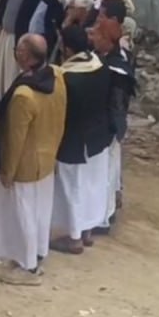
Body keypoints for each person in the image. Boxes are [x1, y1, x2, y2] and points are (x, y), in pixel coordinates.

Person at [0, 33, 65, 284]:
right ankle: (38, 252)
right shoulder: (57, 75)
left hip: (26, 164)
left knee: (24, 215)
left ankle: (28, 267)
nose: (15, 53)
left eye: (18, 50)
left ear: (26, 56)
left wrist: (7, 171)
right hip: (47, 157)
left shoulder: (24, 95)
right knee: (40, 212)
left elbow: (15, 138)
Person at [50, 25, 114, 255]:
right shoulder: (101, 65)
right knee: (92, 185)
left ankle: (74, 238)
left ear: (67, 49)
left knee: (73, 188)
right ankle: (87, 231)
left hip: (75, 141)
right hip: (99, 137)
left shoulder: (66, 78)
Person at [90, 12, 135, 234]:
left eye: (97, 35)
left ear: (107, 40)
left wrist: (113, 128)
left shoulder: (117, 69)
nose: (93, 38)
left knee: (107, 172)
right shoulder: (104, 60)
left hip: (109, 127)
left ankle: (103, 218)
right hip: (103, 126)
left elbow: (117, 103)